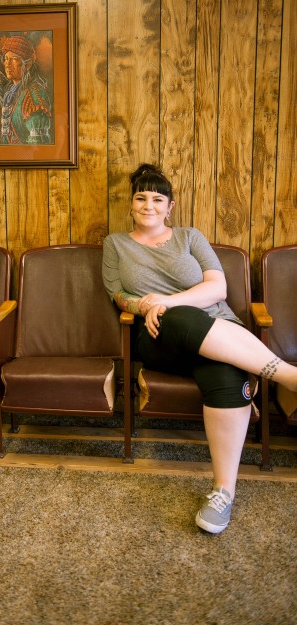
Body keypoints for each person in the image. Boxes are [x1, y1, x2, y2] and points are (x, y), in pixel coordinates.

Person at [102, 163, 297, 534]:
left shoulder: (190, 237)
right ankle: (288, 376)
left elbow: (218, 288)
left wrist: (166, 301)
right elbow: (117, 294)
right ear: (131, 204)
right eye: (141, 198)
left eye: (157, 199)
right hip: (159, 337)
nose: (148, 205)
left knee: (228, 374)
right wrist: (147, 306)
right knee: (179, 318)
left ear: (170, 207)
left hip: (220, 330)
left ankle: (223, 491)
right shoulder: (115, 244)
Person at [0, 35, 52, 145]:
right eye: (6, 59)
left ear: (27, 64)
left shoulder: (34, 95)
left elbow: (38, 146)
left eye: (14, 59)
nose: (7, 64)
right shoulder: (9, 95)